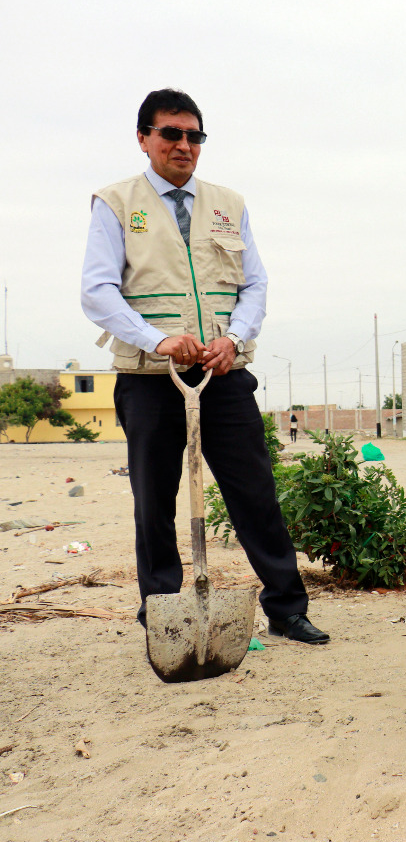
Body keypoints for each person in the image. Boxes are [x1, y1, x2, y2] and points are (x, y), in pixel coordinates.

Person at [80, 88, 328, 645]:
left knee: (255, 493)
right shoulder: (116, 202)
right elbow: (98, 292)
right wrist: (158, 340)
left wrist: (234, 339)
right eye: (171, 133)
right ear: (144, 139)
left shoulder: (227, 203)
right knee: (155, 500)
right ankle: (162, 611)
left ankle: (286, 608)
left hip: (223, 376)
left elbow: (255, 284)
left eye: (194, 135)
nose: (183, 145)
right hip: (150, 379)